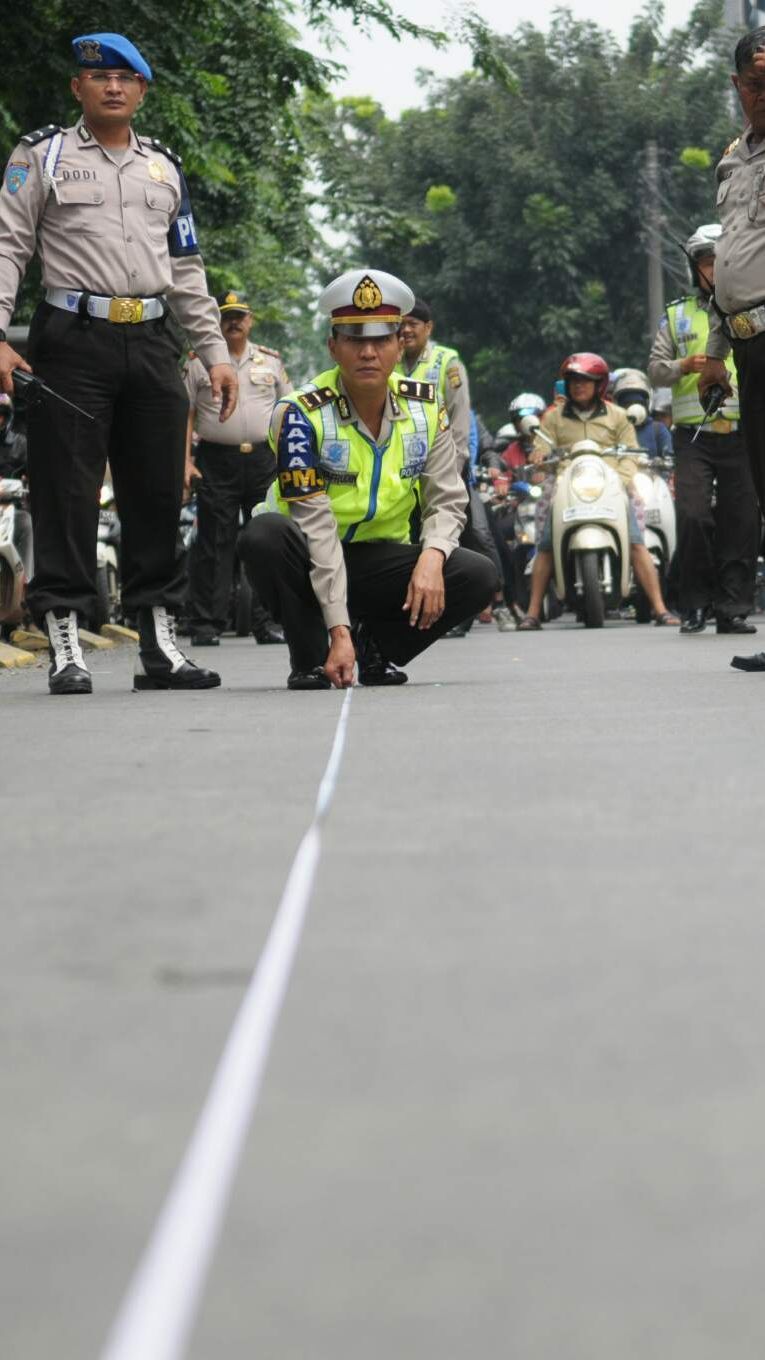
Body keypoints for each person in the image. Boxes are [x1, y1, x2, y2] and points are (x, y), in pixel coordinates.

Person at [0, 32, 237, 694]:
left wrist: (213, 351)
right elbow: (8, 246)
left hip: (156, 341)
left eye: (124, 78)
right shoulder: (41, 155)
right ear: (78, 87)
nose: (111, 86)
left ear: (141, 90)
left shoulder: (164, 167)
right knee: (66, 490)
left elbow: (187, 269)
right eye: (96, 76)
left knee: (159, 492)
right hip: (72, 339)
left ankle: (162, 646)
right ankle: (66, 641)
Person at [238, 268, 496, 689]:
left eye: (380, 340)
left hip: (377, 560)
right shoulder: (299, 415)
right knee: (263, 534)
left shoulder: (426, 409)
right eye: (355, 340)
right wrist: (337, 631)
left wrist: (432, 557)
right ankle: (312, 655)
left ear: (400, 345)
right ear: (333, 347)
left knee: (477, 574)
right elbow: (316, 529)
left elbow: (448, 500)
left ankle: (377, 646)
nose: (369, 352)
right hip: (305, 555)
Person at [649, 225, 758, 636]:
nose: (713, 271)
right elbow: (656, 370)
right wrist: (684, 366)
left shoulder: (748, 307)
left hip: (742, 431)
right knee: (693, 516)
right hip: (693, 435)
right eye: (705, 264)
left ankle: (733, 609)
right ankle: (694, 603)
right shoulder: (676, 316)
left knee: (742, 521)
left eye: (718, 262)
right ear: (695, 269)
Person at [517, 352, 679, 629]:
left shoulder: (618, 416)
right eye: (574, 381)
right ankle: (532, 613)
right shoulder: (554, 418)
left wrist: (621, 477)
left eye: (586, 380)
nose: (579, 385)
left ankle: (660, 608)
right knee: (544, 544)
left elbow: (631, 454)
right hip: (566, 486)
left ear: (599, 384)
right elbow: (541, 447)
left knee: (636, 542)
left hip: (611, 487)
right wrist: (539, 457)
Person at [698, 27, 765, 670]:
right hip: (748, 340)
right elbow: (731, 261)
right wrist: (716, 350)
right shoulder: (735, 158)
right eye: (755, 84)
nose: (764, 96)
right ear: (737, 85)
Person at [185, 290, 289, 646]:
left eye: (239, 316)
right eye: (227, 315)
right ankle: (206, 624)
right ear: (218, 320)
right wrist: (185, 461)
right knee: (214, 541)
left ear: (250, 320)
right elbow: (185, 414)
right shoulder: (201, 362)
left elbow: (287, 412)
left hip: (263, 459)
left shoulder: (271, 362)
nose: (233, 322)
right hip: (216, 459)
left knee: (265, 539)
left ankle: (267, 621)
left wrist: (288, 458)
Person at [398, 299, 471, 463]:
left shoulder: (447, 362)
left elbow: (459, 418)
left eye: (412, 324)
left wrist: (455, 465)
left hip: (440, 459)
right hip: (399, 462)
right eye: (401, 325)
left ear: (428, 328)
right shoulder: (391, 362)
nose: (406, 330)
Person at [0, 393, 33, 581]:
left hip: (13, 509)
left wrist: (28, 483)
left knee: (26, 524)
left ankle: (26, 582)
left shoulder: (20, 444)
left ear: (7, 417)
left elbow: (36, 472)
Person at [612, 369, 674, 458]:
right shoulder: (611, 428)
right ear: (618, 405)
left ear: (647, 404)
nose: (633, 408)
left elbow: (669, 458)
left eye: (638, 402)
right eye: (627, 403)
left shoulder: (657, 429)